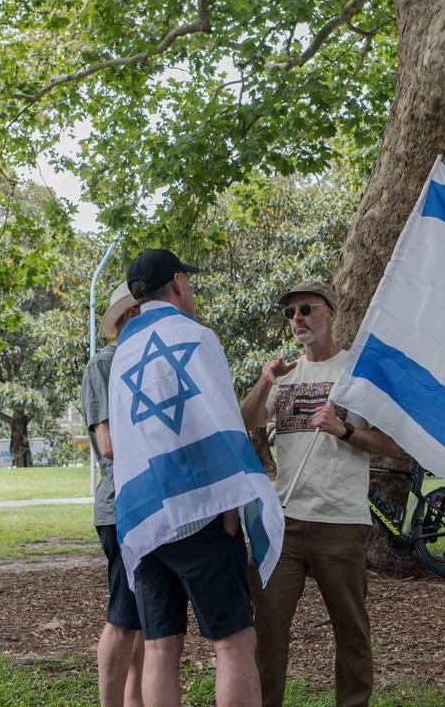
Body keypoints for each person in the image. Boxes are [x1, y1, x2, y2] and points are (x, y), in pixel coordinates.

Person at [108, 249, 281, 707]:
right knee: (233, 643)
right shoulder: (195, 336)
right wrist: (229, 503)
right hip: (198, 512)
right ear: (179, 283)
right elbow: (220, 423)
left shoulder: (122, 353)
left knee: (161, 647)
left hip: (142, 518)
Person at [240, 280, 400, 707]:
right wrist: (264, 380)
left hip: (341, 522)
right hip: (284, 524)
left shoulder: (355, 374)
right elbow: (247, 420)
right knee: (268, 630)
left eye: (307, 310)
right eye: (291, 313)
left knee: (351, 631)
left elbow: (390, 443)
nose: (298, 319)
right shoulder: (285, 375)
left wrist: (344, 430)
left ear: (331, 313)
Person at [81, 280, 144, 707]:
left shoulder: (144, 363)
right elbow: (108, 445)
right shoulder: (102, 366)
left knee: (143, 618)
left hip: (149, 504)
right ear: (128, 317)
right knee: (123, 618)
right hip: (121, 507)